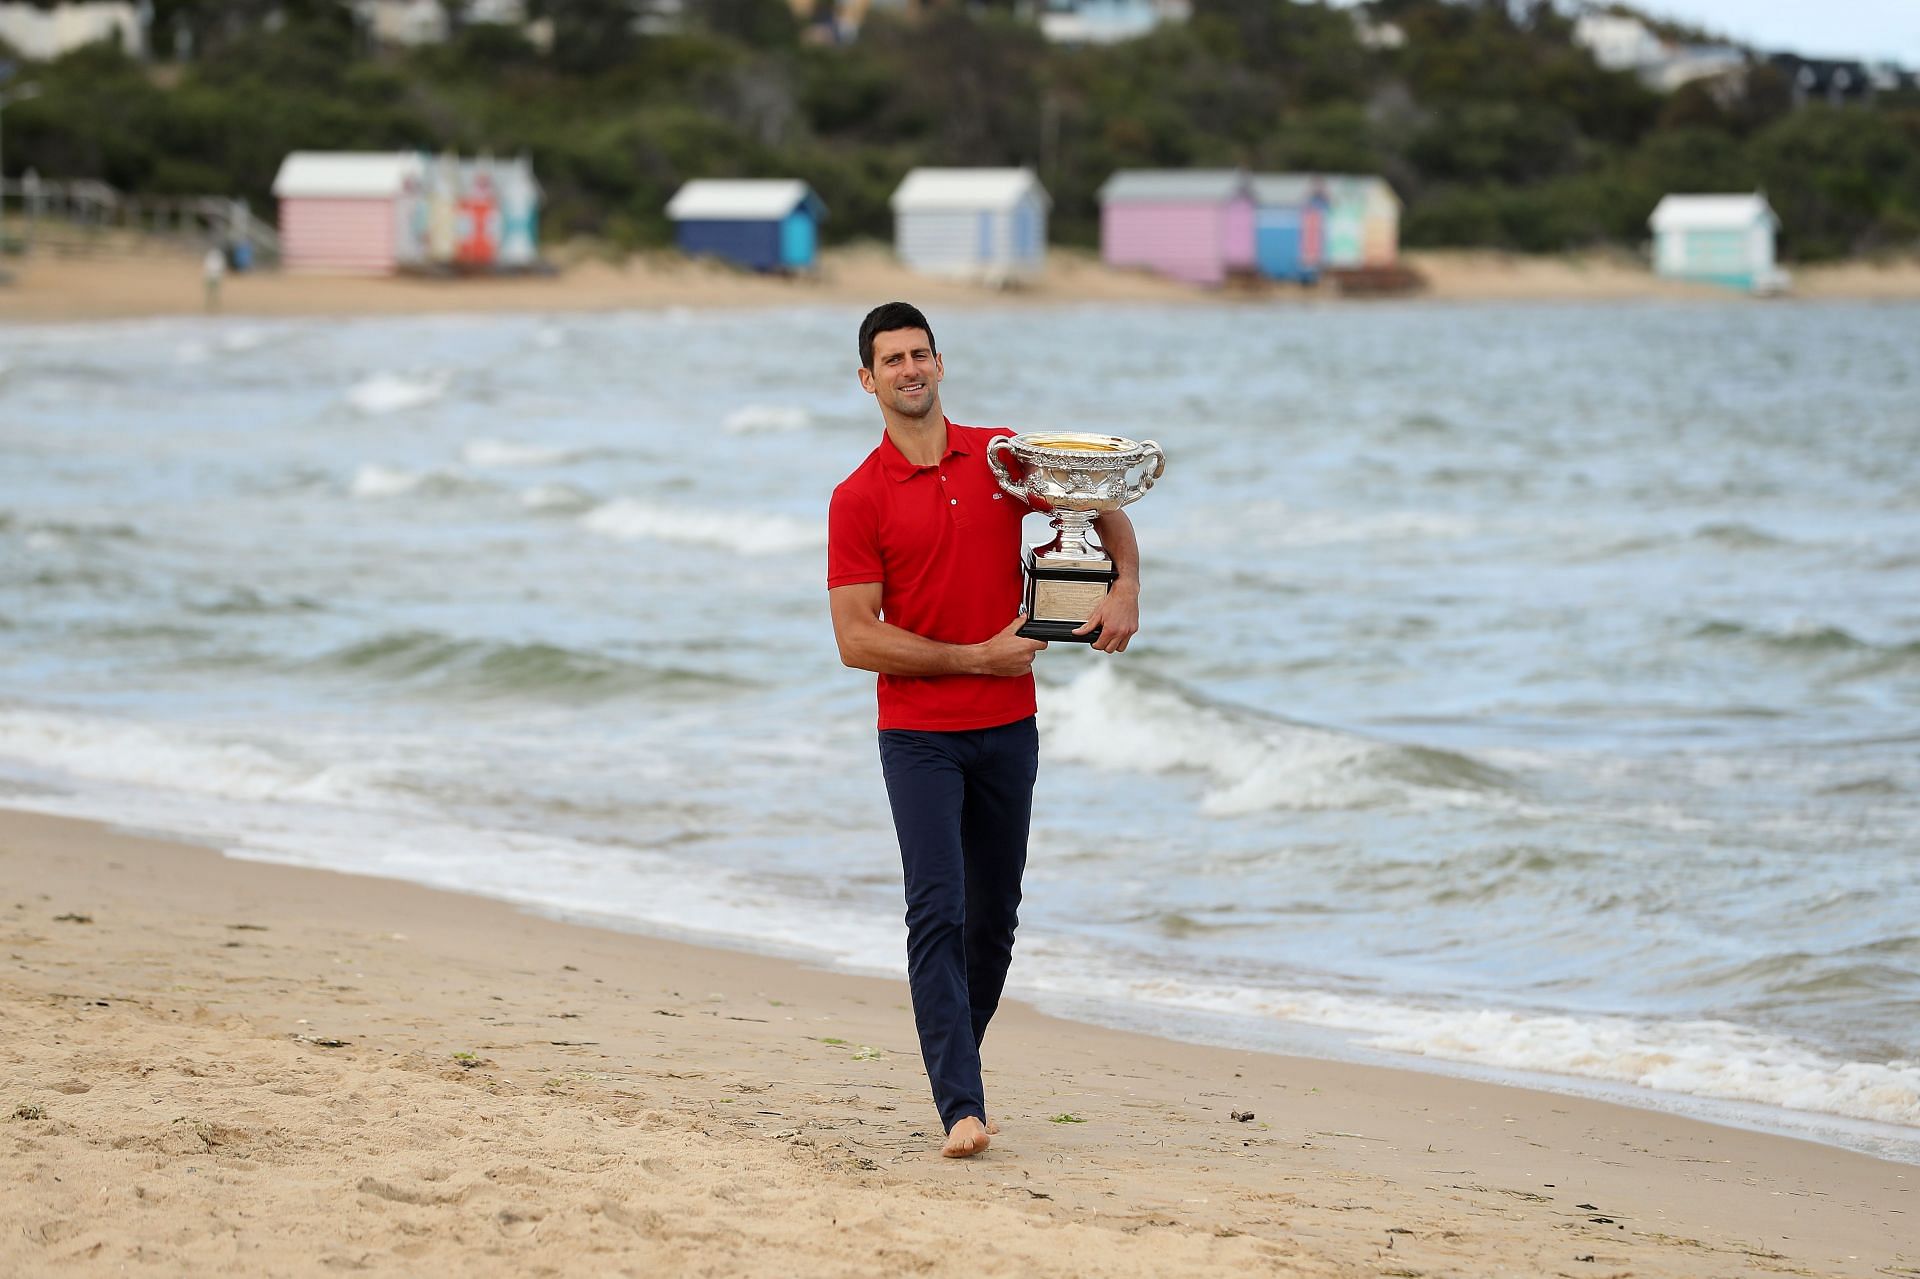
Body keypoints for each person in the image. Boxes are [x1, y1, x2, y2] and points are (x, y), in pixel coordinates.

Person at [826, 302, 1142, 1159]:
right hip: (919, 735)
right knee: (938, 907)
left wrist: (1124, 590)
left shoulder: (1003, 456)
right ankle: (961, 1103)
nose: (909, 369)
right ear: (868, 379)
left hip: (1009, 728)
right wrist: (974, 657)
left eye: (920, 354)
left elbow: (1097, 500)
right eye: (891, 360)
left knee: (993, 920)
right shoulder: (857, 497)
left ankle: (952, 1055)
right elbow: (856, 638)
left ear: (939, 363)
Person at [202, 244, 225, 313]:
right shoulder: (212, 256)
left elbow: (221, 267)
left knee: (215, 292)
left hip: (215, 277)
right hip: (211, 276)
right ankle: (209, 305)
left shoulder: (218, 257)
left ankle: (214, 304)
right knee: (210, 291)